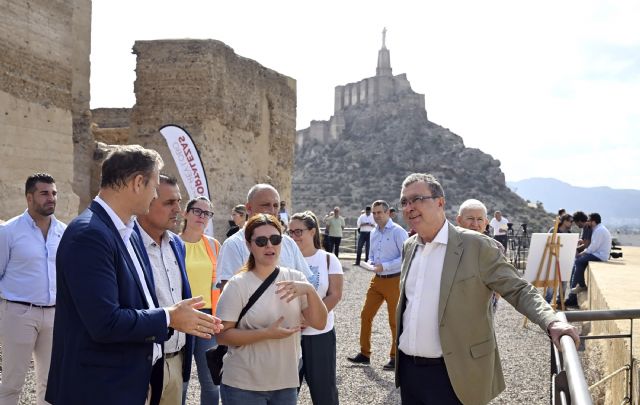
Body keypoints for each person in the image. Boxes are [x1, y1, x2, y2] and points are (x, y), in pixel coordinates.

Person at [45, 145, 223, 405]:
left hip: (129, 383)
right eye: (153, 187)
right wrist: (170, 316)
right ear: (138, 183)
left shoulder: (125, 232)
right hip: (97, 389)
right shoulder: (90, 234)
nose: (154, 197)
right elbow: (105, 323)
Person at [395, 173, 579, 405]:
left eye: (417, 199)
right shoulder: (409, 247)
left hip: (455, 375)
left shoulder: (477, 246)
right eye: (404, 202)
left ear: (440, 202)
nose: (409, 207)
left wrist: (551, 321)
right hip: (410, 374)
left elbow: (518, 289)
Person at [216, 214, 327, 404]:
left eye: (275, 239)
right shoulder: (238, 284)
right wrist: (266, 333)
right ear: (249, 245)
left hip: (286, 385)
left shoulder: (296, 278)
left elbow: (319, 323)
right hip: (244, 386)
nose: (269, 245)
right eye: (261, 241)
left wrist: (309, 290)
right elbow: (222, 335)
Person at [0, 173, 66, 405]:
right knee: (12, 383)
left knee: (51, 382)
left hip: (55, 315)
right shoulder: (9, 231)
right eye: (44, 193)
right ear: (29, 197)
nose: (51, 198)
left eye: (54, 193)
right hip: (18, 313)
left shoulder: (64, 232)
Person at [136, 174, 194, 405]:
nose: (178, 210)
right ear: (146, 203)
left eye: (179, 202)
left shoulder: (177, 244)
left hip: (176, 359)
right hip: (144, 361)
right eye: (170, 203)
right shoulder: (129, 245)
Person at [289, 211, 343, 405]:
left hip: (320, 335)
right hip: (289, 335)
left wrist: (309, 319)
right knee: (285, 392)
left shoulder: (328, 259)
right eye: (290, 232)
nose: (293, 237)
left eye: (298, 232)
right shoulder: (285, 259)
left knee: (323, 392)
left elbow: (335, 294)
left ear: (312, 232)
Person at [348, 200, 408, 370]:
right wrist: (370, 263)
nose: (376, 216)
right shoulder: (373, 232)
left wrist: (385, 266)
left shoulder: (399, 232)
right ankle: (364, 354)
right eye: (374, 213)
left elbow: (405, 257)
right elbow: (372, 255)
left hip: (394, 280)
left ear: (388, 213)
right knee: (365, 315)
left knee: (394, 321)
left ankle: (395, 357)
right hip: (377, 280)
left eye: (379, 213)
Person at [216, 184, 311, 290]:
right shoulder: (234, 245)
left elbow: (305, 285)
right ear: (249, 208)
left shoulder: (288, 243)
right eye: (266, 205)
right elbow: (228, 293)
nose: (272, 210)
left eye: (275, 205)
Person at [180, 196, 221, 405]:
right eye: (197, 211)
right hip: (181, 316)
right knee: (180, 382)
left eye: (207, 213)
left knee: (212, 382)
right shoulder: (172, 242)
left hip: (208, 316)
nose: (202, 216)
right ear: (185, 213)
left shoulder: (214, 246)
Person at [455, 198, 501, 313]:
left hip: (484, 307)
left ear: (486, 223)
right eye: (470, 218)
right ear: (459, 220)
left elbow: (500, 278)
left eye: (480, 219)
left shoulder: (496, 247)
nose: (475, 224)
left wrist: (495, 299)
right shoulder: (448, 244)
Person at [569, 213, 611, 295]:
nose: (587, 222)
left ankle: (581, 286)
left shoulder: (599, 230)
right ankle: (579, 285)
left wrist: (582, 253)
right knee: (580, 262)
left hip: (600, 255)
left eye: (589, 220)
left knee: (579, 261)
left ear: (594, 222)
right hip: (598, 253)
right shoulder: (598, 229)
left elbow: (593, 247)